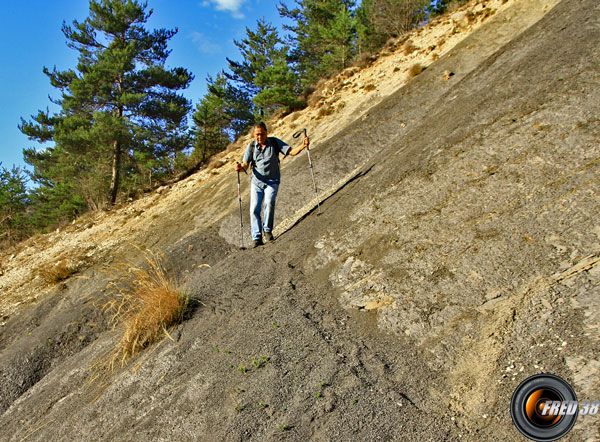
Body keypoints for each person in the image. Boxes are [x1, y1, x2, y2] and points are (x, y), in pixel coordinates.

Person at [234, 122, 309, 248]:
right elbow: (245, 165)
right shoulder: (251, 147)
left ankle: (267, 231)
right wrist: (239, 167)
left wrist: (302, 145)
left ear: (266, 132)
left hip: (272, 181)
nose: (259, 137)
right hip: (256, 182)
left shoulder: (274, 142)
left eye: (262, 134)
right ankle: (257, 237)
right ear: (254, 134)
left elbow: (291, 151)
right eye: (257, 134)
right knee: (254, 209)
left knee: (269, 203)